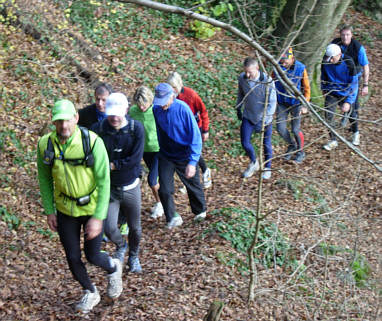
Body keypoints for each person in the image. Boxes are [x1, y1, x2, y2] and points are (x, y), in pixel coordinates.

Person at [37, 99, 122, 313]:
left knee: (93, 255)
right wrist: (49, 210)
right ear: (53, 123)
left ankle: (113, 267)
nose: (63, 126)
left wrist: (98, 216)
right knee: (72, 256)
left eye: (67, 120)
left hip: (92, 207)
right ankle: (90, 291)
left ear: (76, 118)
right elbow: (45, 179)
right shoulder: (45, 145)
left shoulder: (92, 142)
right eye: (58, 121)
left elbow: (104, 181)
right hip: (66, 209)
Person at [91, 93, 144, 273]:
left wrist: (114, 165)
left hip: (130, 185)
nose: (114, 118)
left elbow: (135, 159)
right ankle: (121, 246)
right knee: (109, 226)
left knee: (135, 227)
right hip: (109, 188)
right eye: (111, 113)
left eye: (118, 113)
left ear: (126, 110)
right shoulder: (98, 129)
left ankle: (134, 256)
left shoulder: (136, 129)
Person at [152, 83, 207, 229]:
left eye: (164, 102)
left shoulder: (183, 109)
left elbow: (195, 137)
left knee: (193, 185)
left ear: (172, 96)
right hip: (166, 154)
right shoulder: (156, 109)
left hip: (184, 153)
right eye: (159, 102)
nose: (162, 105)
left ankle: (200, 212)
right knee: (164, 189)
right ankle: (172, 217)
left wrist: (192, 162)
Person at [166, 72, 212, 189]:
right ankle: (190, 179)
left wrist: (205, 130)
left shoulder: (191, 95)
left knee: (193, 152)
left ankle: (204, 171)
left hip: (195, 127)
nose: (173, 91)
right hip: (180, 130)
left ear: (180, 84)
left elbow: (203, 111)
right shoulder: (168, 97)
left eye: (175, 88)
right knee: (186, 152)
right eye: (171, 88)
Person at [236, 57, 277, 179]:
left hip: (264, 118)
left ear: (257, 68)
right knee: (245, 142)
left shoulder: (267, 81)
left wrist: (266, 119)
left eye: (250, 72)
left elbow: (272, 102)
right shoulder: (242, 78)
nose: (248, 75)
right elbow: (240, 93)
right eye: (246, 72)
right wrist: (238, 107)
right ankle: (254, 162)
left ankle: (268, 167)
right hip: (249, 115)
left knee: (266, 143)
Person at [129, 86, 164, 219]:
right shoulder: (133, 111)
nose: (142, 108)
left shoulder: (157, 110)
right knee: (155, 179)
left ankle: (160, 204)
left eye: (144, 105)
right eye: (139, 105)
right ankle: (161, 200)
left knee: (152, 180)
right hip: (144, 150)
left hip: (158, 150)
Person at [331, 25, 369, 145]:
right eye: (343, 35)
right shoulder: (335, 44)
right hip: (339, 79)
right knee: (342, 104)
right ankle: (344, 120)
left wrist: (365, 84)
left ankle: (355, 132)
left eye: (347, 35)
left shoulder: (358, 48)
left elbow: (365, 66)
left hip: (353, 80)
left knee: (353, 106)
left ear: (351, 35)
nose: (345, 37)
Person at [274, 47, 310, 163]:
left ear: (292, 59)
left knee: (295, 129)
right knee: (280, 128)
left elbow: (307, 88)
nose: (283, 64)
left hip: (296, 103)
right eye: (282, 62)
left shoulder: (300, 68)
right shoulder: (277, 67)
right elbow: (271, 81)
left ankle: (301, 151)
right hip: (282, 102)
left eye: (286, 62)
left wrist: (305, 105)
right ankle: (292, 145)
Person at [321, 43, 358, 151]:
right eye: (328, 57)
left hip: (346, 92)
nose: (330, 60)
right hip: (332, 92)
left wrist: (348, 101)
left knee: (352, 113)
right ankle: (333, 140)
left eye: (332, 58)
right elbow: (323, 76)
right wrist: (324, 89)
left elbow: (354, 84)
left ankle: (355, 132)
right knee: (328, 115)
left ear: (339, 55)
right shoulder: (326, 61)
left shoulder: (349, 63)